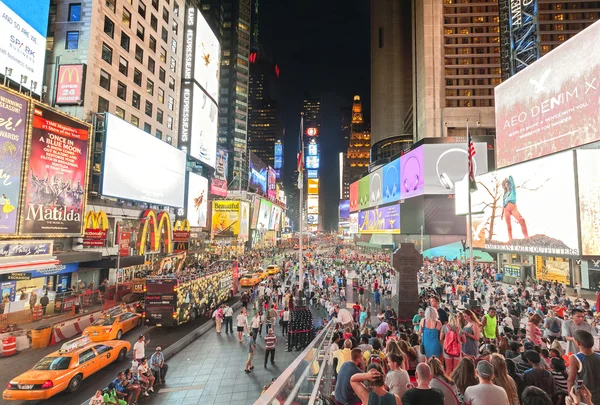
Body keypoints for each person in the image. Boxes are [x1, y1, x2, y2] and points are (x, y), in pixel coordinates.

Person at [567, 330, 600, 405]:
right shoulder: (598, 356)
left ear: (578, 343)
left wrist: (571, 397)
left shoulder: (575, 358)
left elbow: (570, 380)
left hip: (584, 397)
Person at [501, 175, 528, 242]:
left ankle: (527, 237)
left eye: (507, 183)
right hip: (506, 209)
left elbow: (512, 181)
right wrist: (502, 213)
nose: (506, 185)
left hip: (513, 207)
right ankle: (510, 239)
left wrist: (509, 178)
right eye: (505, 184)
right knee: (508, 225)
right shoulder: (504, 195)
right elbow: (503, 204)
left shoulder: (512, 190)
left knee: (522, 220)